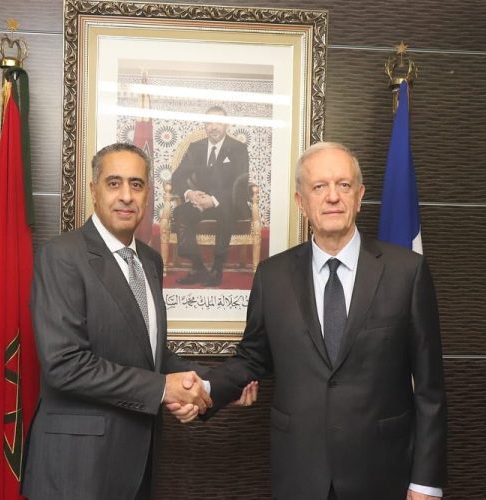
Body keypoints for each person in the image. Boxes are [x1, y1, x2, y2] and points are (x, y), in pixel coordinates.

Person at [175, 142, 447, 499]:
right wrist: (206, 391)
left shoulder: (406, 272)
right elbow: (252, 358)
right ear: (301, 202)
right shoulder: (272, 276)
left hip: (382, 472)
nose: (333, 196)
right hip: (300, 472)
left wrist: (426, 482)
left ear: (359, 196)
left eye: (344, 185)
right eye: (319, 187)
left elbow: (429, 388)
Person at [21, 143, 254, 499]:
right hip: (76, 466)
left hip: (138, 461)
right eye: (114, 183)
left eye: (137, 184)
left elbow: (152, 356)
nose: (126, 196)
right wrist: (163, 389)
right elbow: (64, 364)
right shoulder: (62, 256)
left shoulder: (149, 261)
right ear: (94, 190)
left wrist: (218, 388)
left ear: (148, 194)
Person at [171, 105, 250, 287]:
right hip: (199, 201)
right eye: (209, 123)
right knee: (180, 213)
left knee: (225, 212)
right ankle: (197, 267)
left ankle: (217, 268)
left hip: (228, 203)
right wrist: (190, 193)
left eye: (218, 123)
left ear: (226, 125)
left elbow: (240, 184)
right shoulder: (195, 148)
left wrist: (213, 201)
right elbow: (177, 176)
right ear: (205, 126)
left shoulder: (238, 148)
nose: (214, 127)